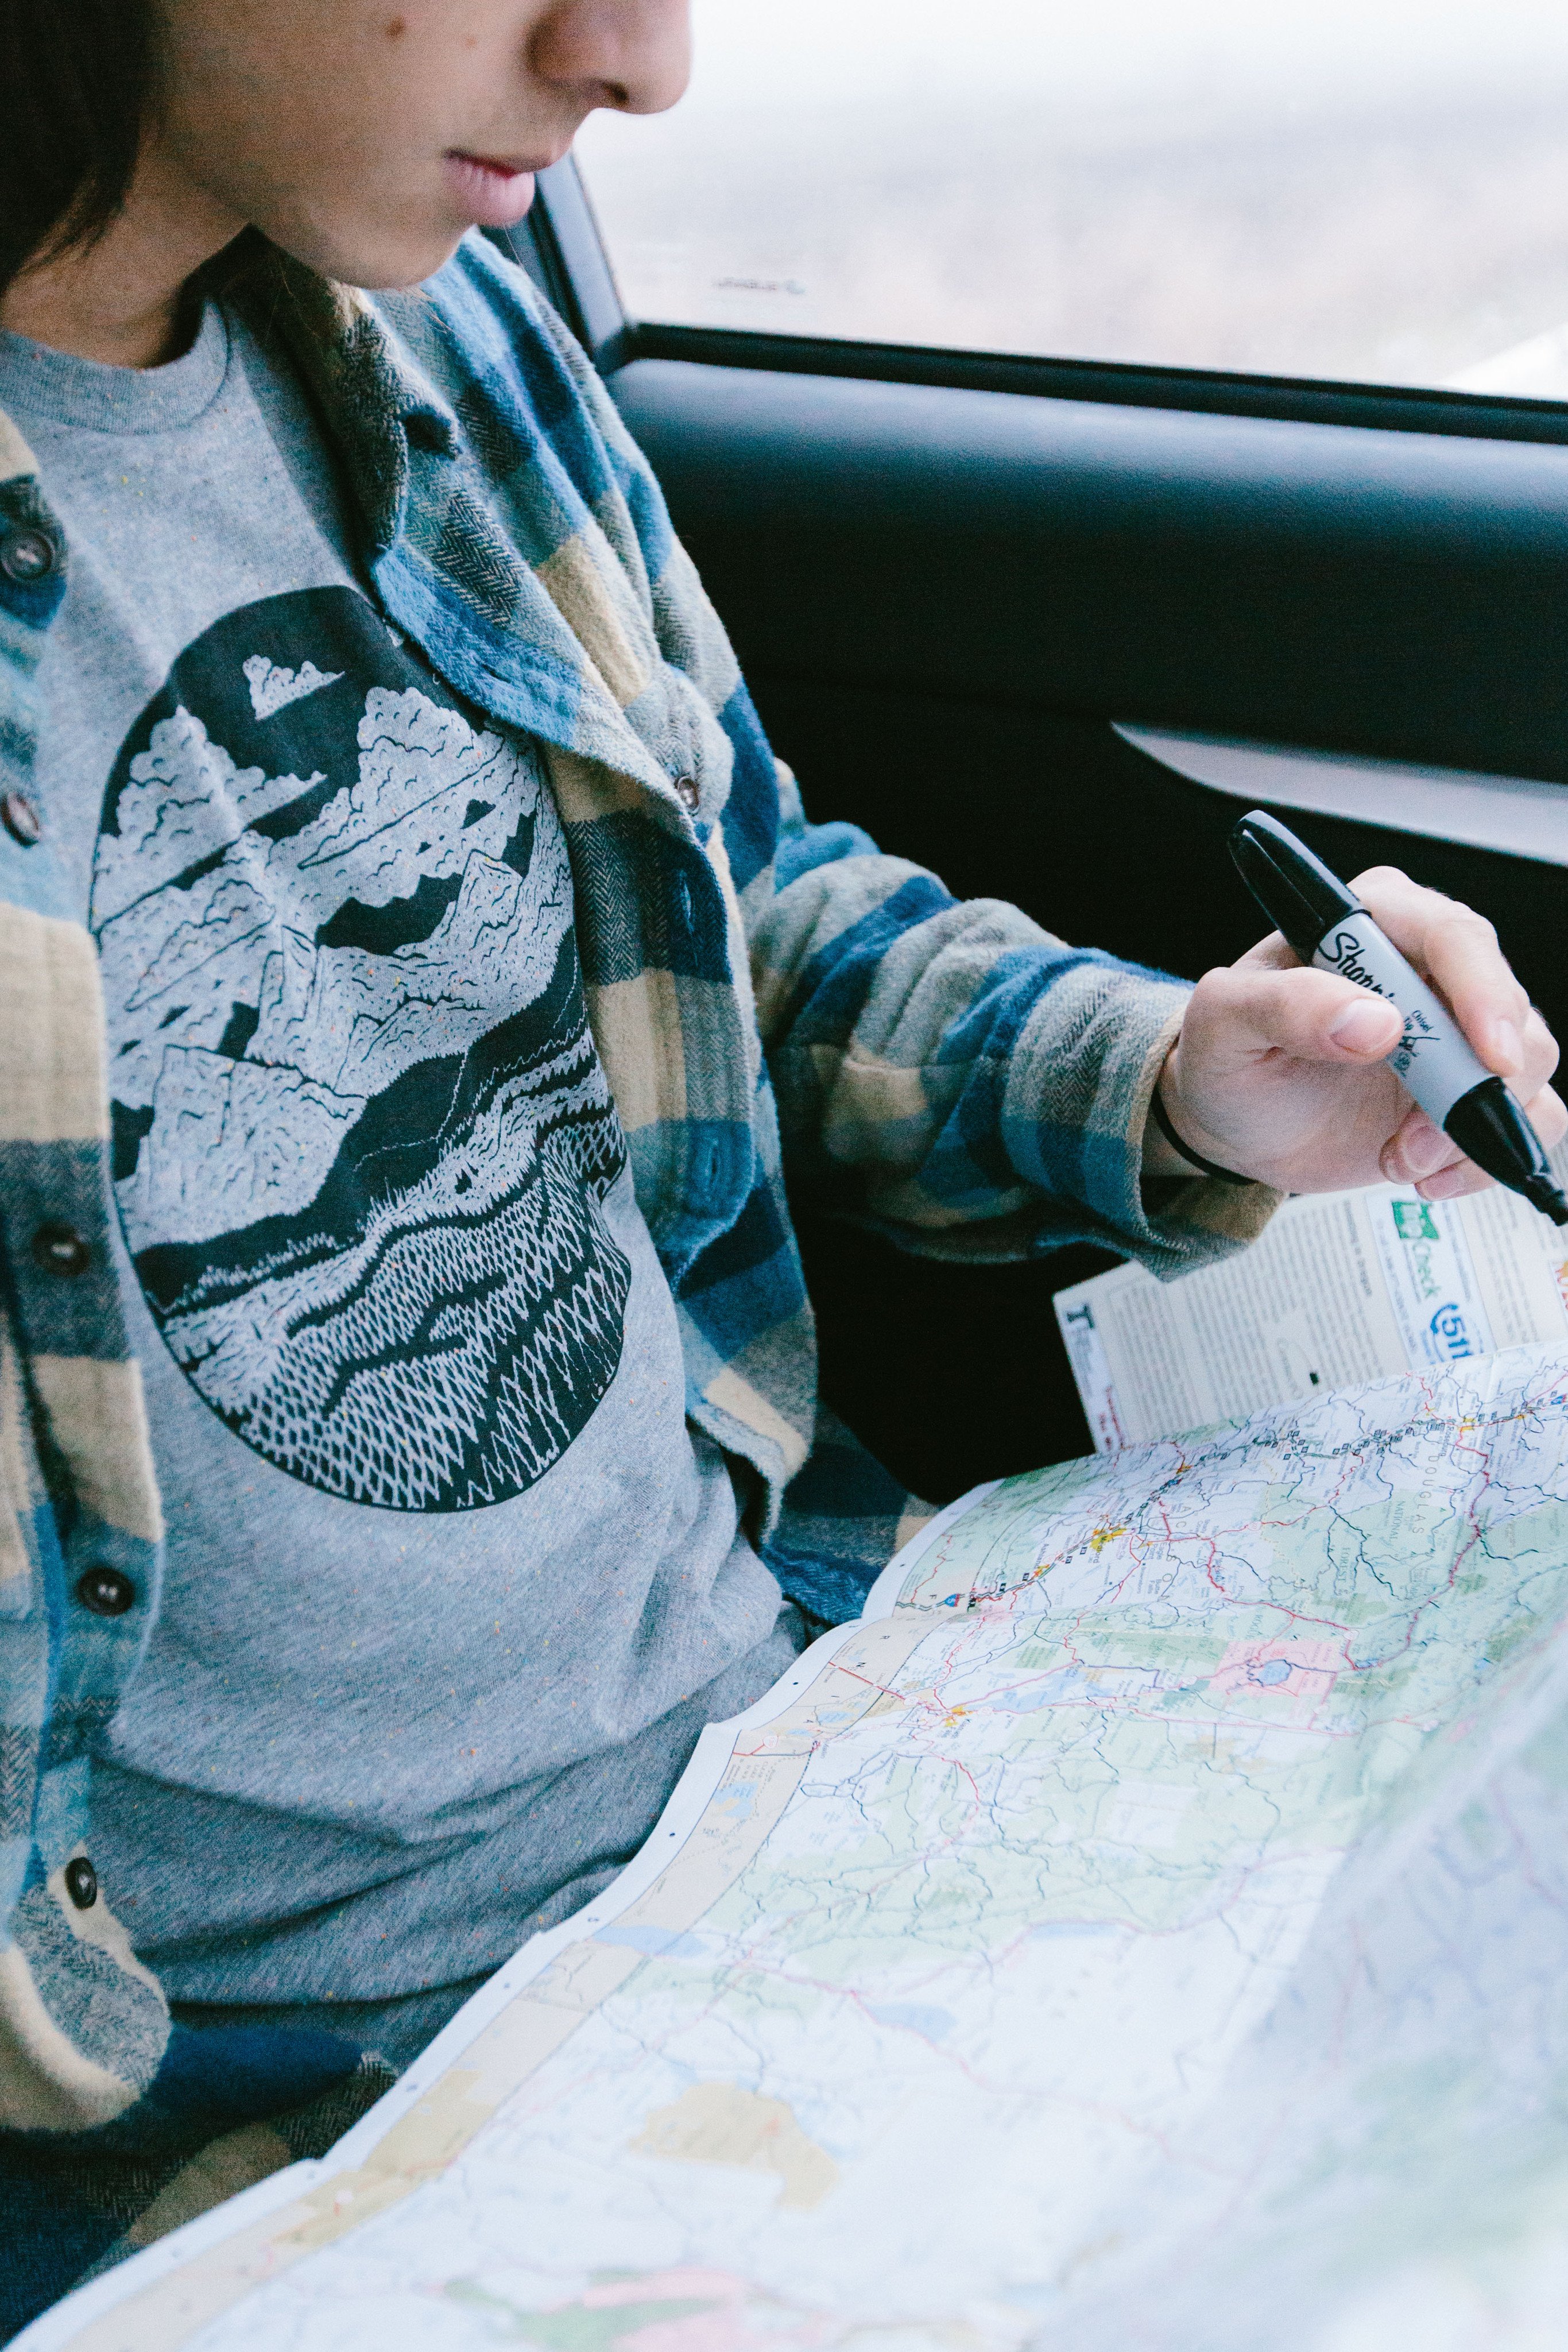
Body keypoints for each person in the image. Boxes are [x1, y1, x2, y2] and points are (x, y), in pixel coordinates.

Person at [0, 0, 1559, 2329]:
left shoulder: (439, 331)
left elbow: (730, 917)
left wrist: (1177, 1075)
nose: (638, 61)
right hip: (266, 2096)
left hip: (794, 1752)